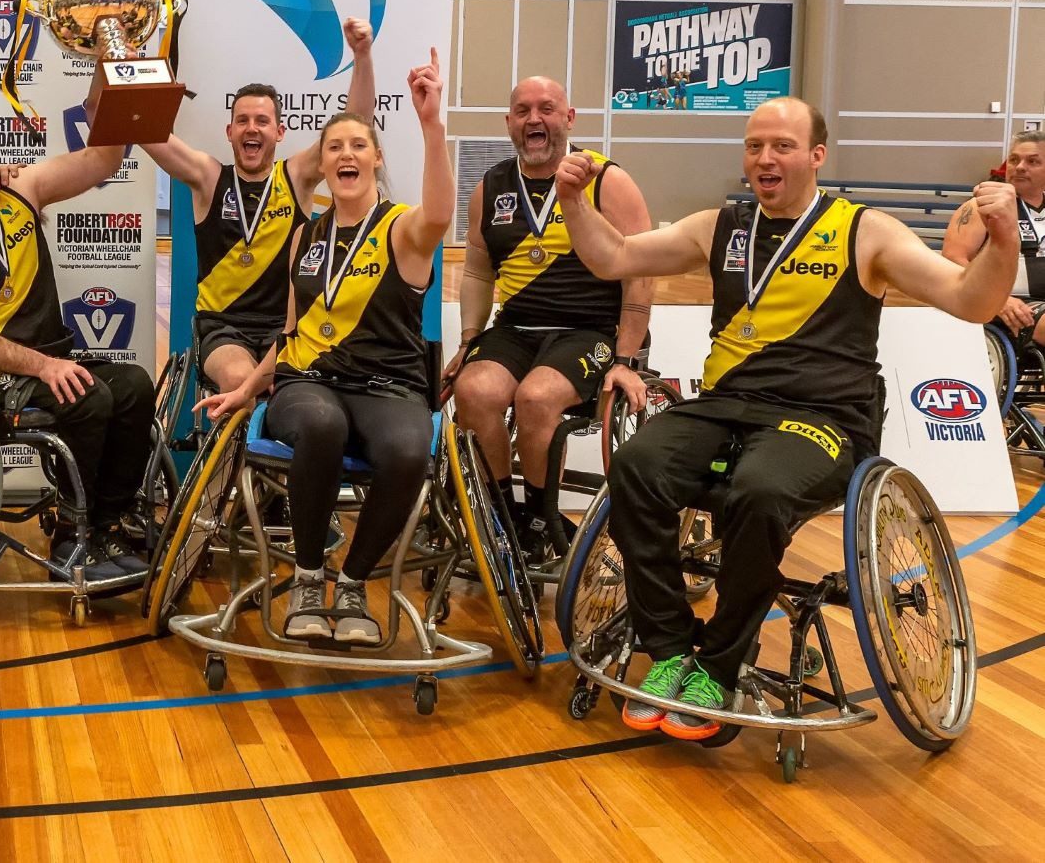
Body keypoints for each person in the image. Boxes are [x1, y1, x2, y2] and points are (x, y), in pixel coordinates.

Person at [557, 97, 1016, 740]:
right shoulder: (720, 225)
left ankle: (719, 663)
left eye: (781, 146)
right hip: (722, 407)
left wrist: (1003, 243)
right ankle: (667, 651)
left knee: (761, 491)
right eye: (753, 146)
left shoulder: (866, 232)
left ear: (816, 156)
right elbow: (613, 258)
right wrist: (576, 204)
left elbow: (971, 300)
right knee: (636, 464)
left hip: (822, 417)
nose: (764, 158)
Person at [198, 52, 454, 644]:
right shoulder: (305, 238)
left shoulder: (402, 229)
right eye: (334, 146)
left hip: (388, 385)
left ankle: (355, 581)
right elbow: (291, 333)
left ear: (376, 160)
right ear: (325, 161)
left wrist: (432, 125)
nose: (345, 155)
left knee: (409, 451)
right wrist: (246, 389)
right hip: (308, 381)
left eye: (358, 146)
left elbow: (441, 211)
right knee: (319, 425)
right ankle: (310, 575)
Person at [0, 120, 151, 583]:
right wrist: (43, 366)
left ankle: (105, 524)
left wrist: (108, 67)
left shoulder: (20, 190)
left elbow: (101, 160)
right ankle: (69, 533)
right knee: (87, 397)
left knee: (135, 385)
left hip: (47, 360)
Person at [448, 76, 651, 558]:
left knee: (537, 397)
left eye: (546, 108)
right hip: (516, 329)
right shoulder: (491, 185)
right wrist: (470, 339)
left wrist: (628, 356)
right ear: (509, 123)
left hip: (590, 330)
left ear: (569, 118)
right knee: (472, 390)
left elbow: (640, 275)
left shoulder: (605, 179)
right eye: (522, 111)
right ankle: (503, 521)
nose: (533, 119)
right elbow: (477, 273)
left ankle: (542, 522)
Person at [142, 19, 378, 395]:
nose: (252, 128)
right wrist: (117, 59)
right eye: (243, 121)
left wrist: (362, 57)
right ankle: (238, 454)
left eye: (263, 121)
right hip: (222, 327)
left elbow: (356, 125)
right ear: (230, 132)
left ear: (279, 132)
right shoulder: (208, 177)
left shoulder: (297, 176)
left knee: (288, 388)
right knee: (241, 379)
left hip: (286, 327)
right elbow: (147, 131)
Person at [943, 131, 1045, 350]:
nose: (1019, 167)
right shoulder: (982, 205)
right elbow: (952, 258)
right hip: (1012, 304)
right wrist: (998, 299)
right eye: (1014, 159)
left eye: (1032, 161)